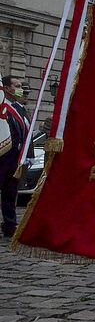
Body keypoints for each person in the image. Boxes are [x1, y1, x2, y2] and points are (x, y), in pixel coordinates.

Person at [0, 76, 33, 238]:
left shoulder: (21, 109)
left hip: (16, 161)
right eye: (17, 86)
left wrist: (29, 156)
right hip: (3, 158)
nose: (21, 89)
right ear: (6, 88)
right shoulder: (2, 108)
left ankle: (9, 224)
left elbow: (28, 135)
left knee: (10, 193)